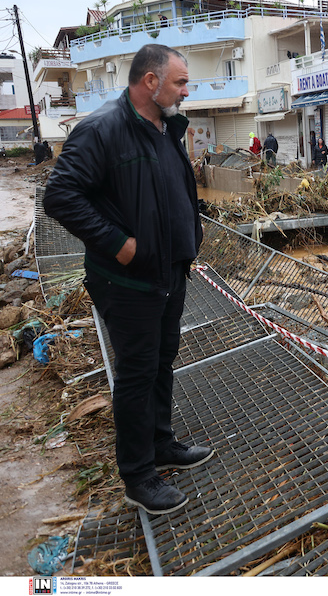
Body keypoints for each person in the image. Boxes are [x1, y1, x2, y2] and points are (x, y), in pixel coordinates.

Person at [43, 44, 212, 516]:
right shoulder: (102, 130)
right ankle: (139, 476)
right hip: (129, 281)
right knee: (136, 376)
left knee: (161, 362)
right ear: (151, 82)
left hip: (169, 273)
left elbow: (172, 195)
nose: (185, 89)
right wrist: (119, 242)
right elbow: (60, 196)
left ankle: (162, 444)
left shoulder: (164, 127)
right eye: (179, 81)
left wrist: (186, 247)